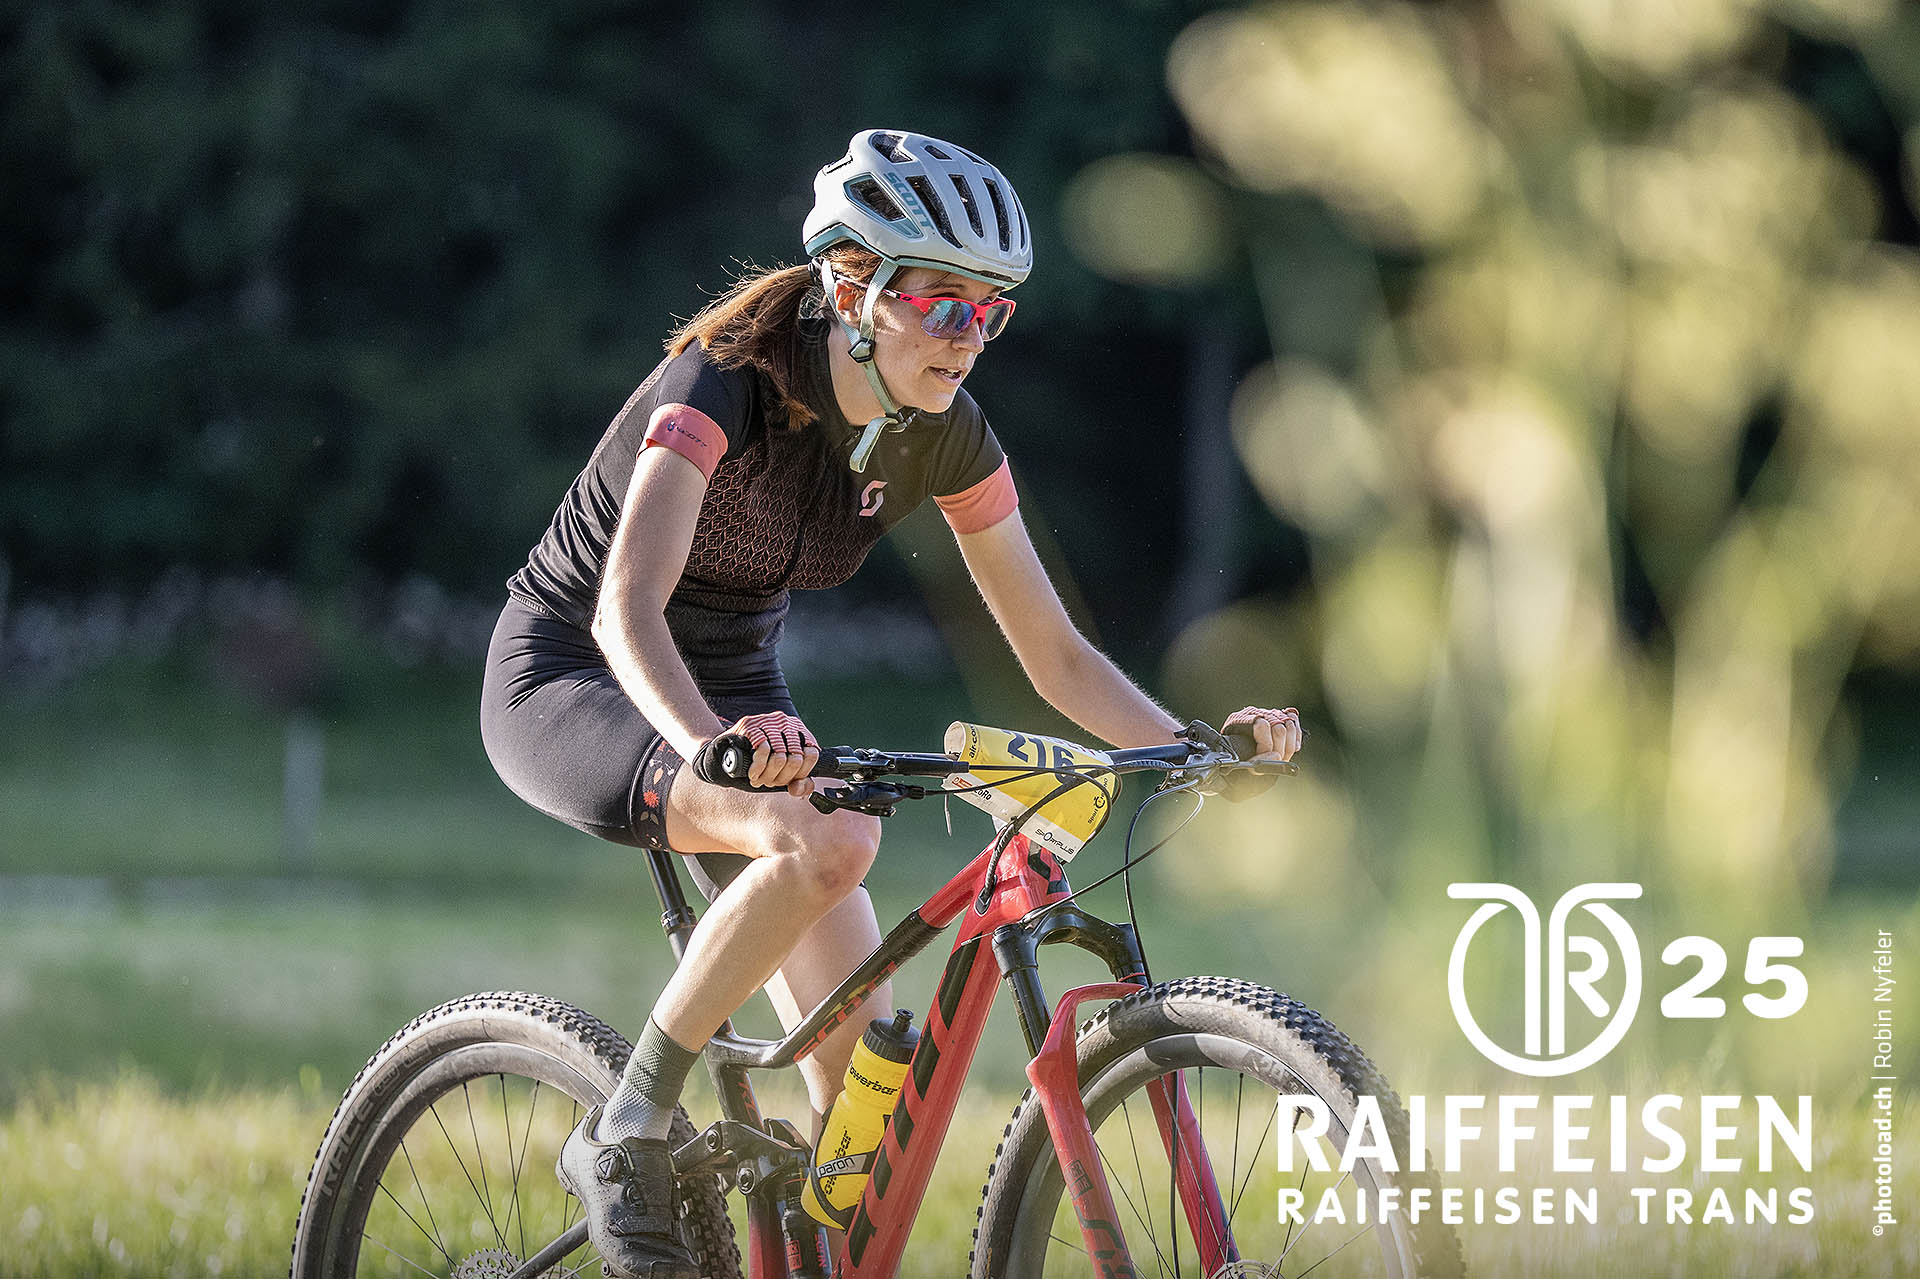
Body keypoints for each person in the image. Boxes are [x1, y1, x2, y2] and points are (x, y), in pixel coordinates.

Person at [479, 129, 1303, 1278]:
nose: (968, 338)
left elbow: (1055, 655)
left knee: (862, 1094)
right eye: (944, 304)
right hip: (582, 674)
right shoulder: (723, 381)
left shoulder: (945, 433)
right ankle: (627, 1129)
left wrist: (1192, 747)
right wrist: (710, 746)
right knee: (829, 841)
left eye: (992, 313)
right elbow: (626, 608)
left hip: (747, 708)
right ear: (853, 285)